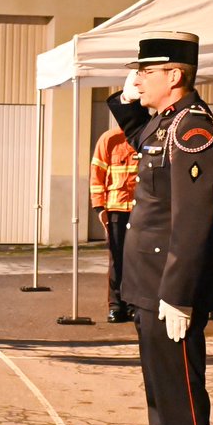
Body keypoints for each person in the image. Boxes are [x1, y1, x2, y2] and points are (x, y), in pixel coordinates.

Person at [107, 31, 213, 425]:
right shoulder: (165, 124)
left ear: (174, 76)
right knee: (160, 396)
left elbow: (192, 221)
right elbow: (142, 140)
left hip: (168, 290)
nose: (138, 78)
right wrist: (124, 101)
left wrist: (177, 293)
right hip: (146, 284)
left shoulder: (194, 128)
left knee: (181, 398)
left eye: (146, 72)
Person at [89, 126, 136, 322]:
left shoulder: (149, 135)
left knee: (139, 260)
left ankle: (135, 303)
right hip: (116, 209)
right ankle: (116, 305)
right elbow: (97, 175)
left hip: (142, 209)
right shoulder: (108, 139)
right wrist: (99, 207)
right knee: (117, 259)